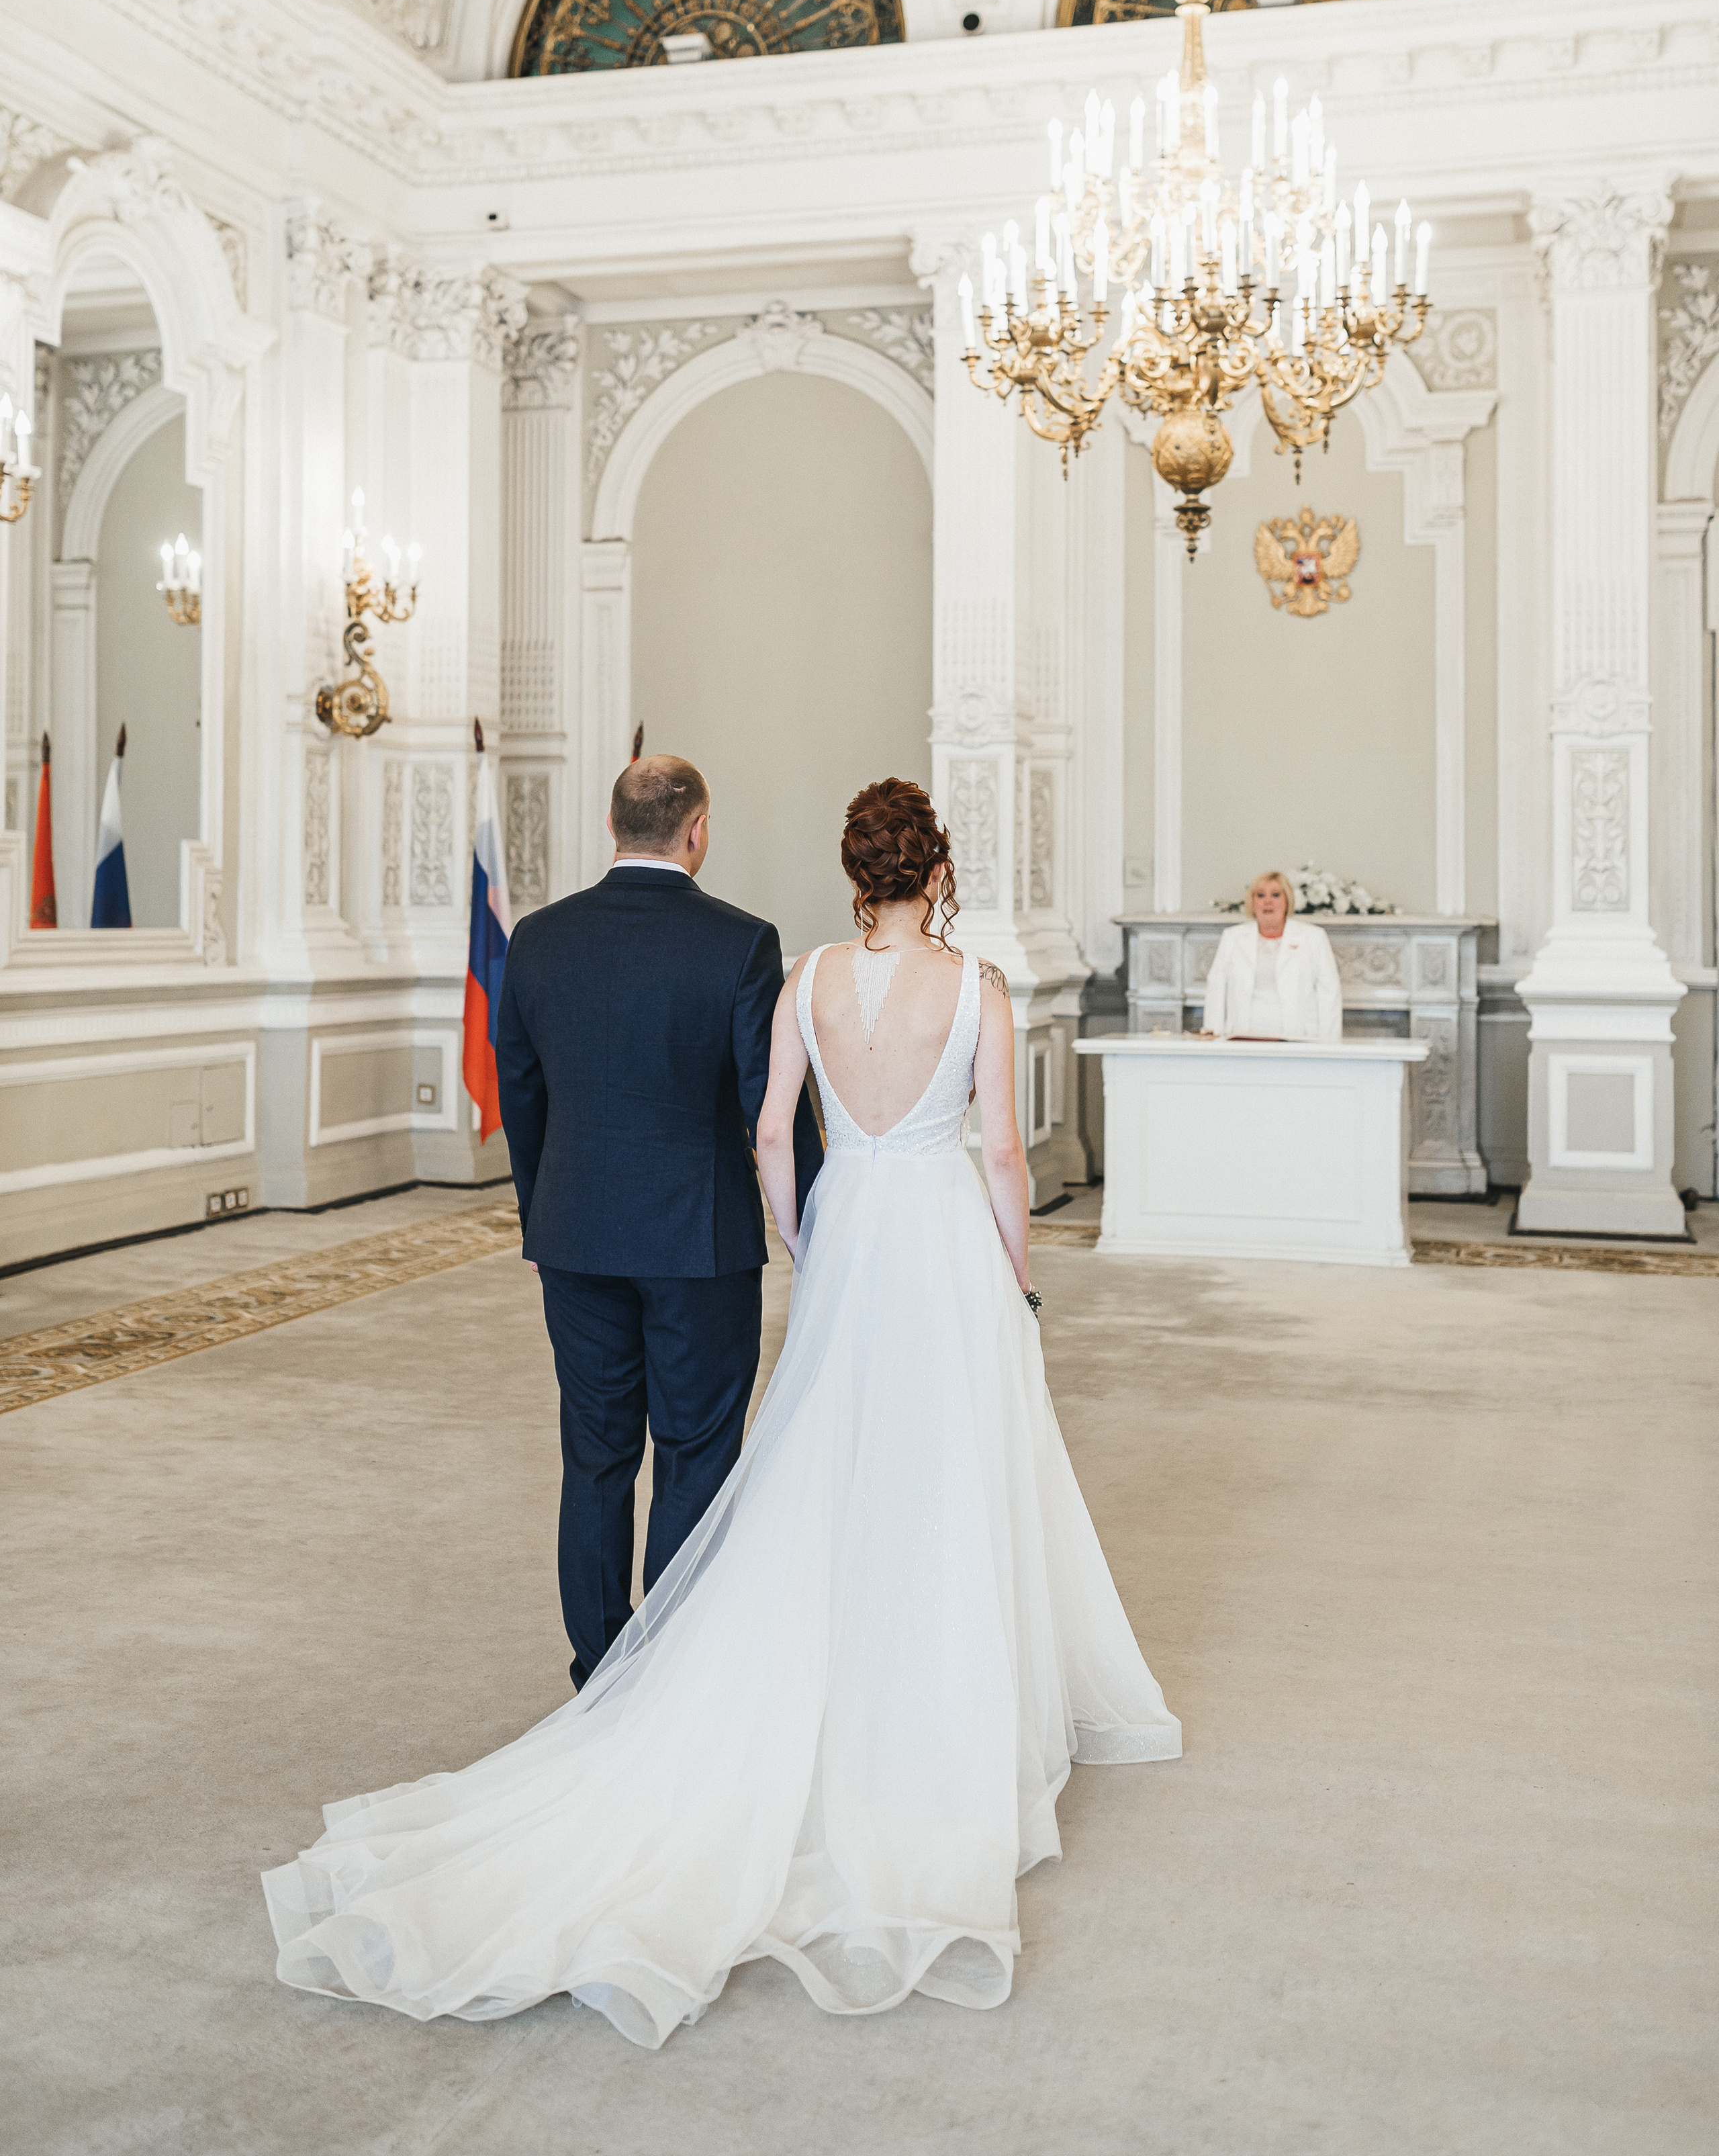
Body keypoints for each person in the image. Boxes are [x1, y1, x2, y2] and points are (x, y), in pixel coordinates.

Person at [262, 777, 1180, 2045]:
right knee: (896, 1463)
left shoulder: (738, 964)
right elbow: (992, 1155)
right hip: (872, 1245)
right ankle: (873, 1685)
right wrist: (1010, 1275)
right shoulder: (907, 974)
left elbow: (732, 1126)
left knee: (639, 1456)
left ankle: (623, 1677)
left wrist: (799, 1237)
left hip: (663, 1231)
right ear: (936, 869)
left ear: (853, 869)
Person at [494, 752, 823, 1690]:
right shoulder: (741, 942)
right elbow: (770, 1109)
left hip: (574, 1233)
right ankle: (673, 1671)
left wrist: (539, 1211)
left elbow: (522, 1092)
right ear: (698, 830)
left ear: (612, 828)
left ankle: (599, 1669)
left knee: (596, 1455)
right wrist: (812, 1222)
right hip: (698, 1241)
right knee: (694, 1451)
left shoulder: (538, 939)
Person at [1202, 868, 1342, 1039]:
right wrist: (1213, 1037)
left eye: (1276, 895)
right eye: (1260, 896)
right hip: (1242, 1038)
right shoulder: (1232, 937)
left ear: (1287, 900)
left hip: (1298, 1040)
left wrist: (1329, 1044)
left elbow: (1329, 993)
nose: (1268, 901)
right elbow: (1216, 989)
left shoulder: (1314, 938)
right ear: (1253, 902)